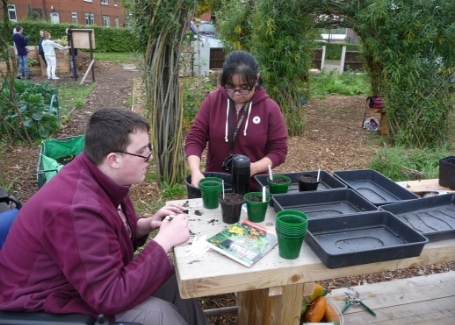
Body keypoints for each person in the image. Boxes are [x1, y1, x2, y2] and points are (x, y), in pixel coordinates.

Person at [0, 108, 208, 325]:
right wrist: (162, 242)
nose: (150, 157)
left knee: (173, 280)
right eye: (143, 151)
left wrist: (143, 225)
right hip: (43, 304)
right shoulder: (76, 209)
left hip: (82, 284)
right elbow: (109, 297)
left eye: (149, 148)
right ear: (114, 159)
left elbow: (103, 236)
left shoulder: (102, 177)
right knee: (159, 313)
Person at [185, 50, 288, 189]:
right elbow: (195, 138)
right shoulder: (213, 101)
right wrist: (196, 171)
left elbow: (279, 150)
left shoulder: (269, 108)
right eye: (231, 87)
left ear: (256, 80)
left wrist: (255, 168)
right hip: (215, 185)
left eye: (244, 88)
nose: (237, 94)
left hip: (253, 188)